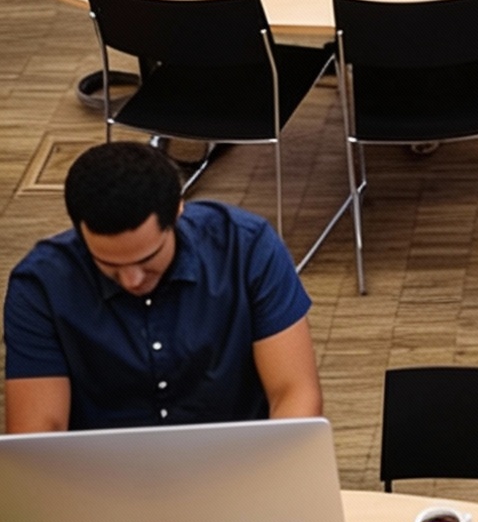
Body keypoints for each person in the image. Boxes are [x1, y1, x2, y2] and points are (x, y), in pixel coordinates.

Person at [4, 142, 323, 433]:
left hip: (241, 467)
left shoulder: (246, 248)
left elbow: (294, 391)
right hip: (101, 480)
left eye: (147, 259)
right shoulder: (40, 286)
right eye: (110, 266)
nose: (132, 280)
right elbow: (39, 434)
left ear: (177, 212)